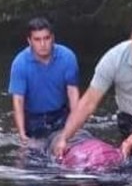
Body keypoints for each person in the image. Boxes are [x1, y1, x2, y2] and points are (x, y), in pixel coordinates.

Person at [51, 12, 132, 160]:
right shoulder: (114, 59)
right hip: (130, 119)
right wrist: (65, 137)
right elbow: (89, 102)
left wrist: (130, 141)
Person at [8, 17, 80, 145]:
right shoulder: (20, 63)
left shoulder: (67, 57)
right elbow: (18, 100)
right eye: (37, 39)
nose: (43, 44)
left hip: (60, 115)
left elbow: (73, 92)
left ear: (53, 38)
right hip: (33, 118)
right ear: (29, 41)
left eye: (46, 38)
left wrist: (76, 124)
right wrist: (22, 135)